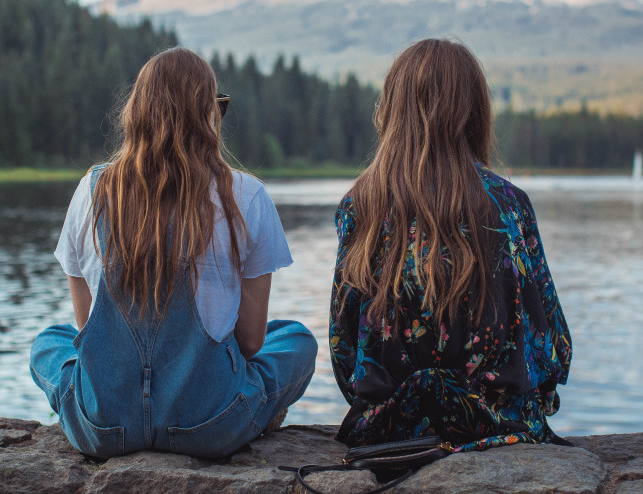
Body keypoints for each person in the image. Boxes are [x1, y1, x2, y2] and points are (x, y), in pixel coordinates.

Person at [30, 47, 316, 459]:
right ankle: (256, 407)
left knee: (49, 342)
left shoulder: (92, 191)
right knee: (295, 339)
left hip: (105, 427)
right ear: (209, 116)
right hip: (209, 426)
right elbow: (252, 342)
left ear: (137, 113)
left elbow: (87, 332)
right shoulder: (246, 195)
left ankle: (84, 409)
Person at [329, 38, 572, 451]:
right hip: (498, 425)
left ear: (392, 110)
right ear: (475, 114)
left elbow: (343, 347)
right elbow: (554, 347)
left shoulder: (360, 205)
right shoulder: (510, 204)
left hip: (390, 428)